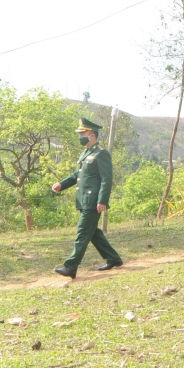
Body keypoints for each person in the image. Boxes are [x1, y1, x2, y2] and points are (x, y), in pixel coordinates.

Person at [51, 117, 123, 279]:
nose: (80, 136)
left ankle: (71, 267)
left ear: (92, 135)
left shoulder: (101, 154)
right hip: (84, 200)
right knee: (93, 232)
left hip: (93, 201)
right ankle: (113, 258)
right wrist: (61, 184)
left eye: (82, 133)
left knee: (83, 232)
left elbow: (106, 179)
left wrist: (102, 200)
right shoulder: (85, 153)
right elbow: (77, 175)